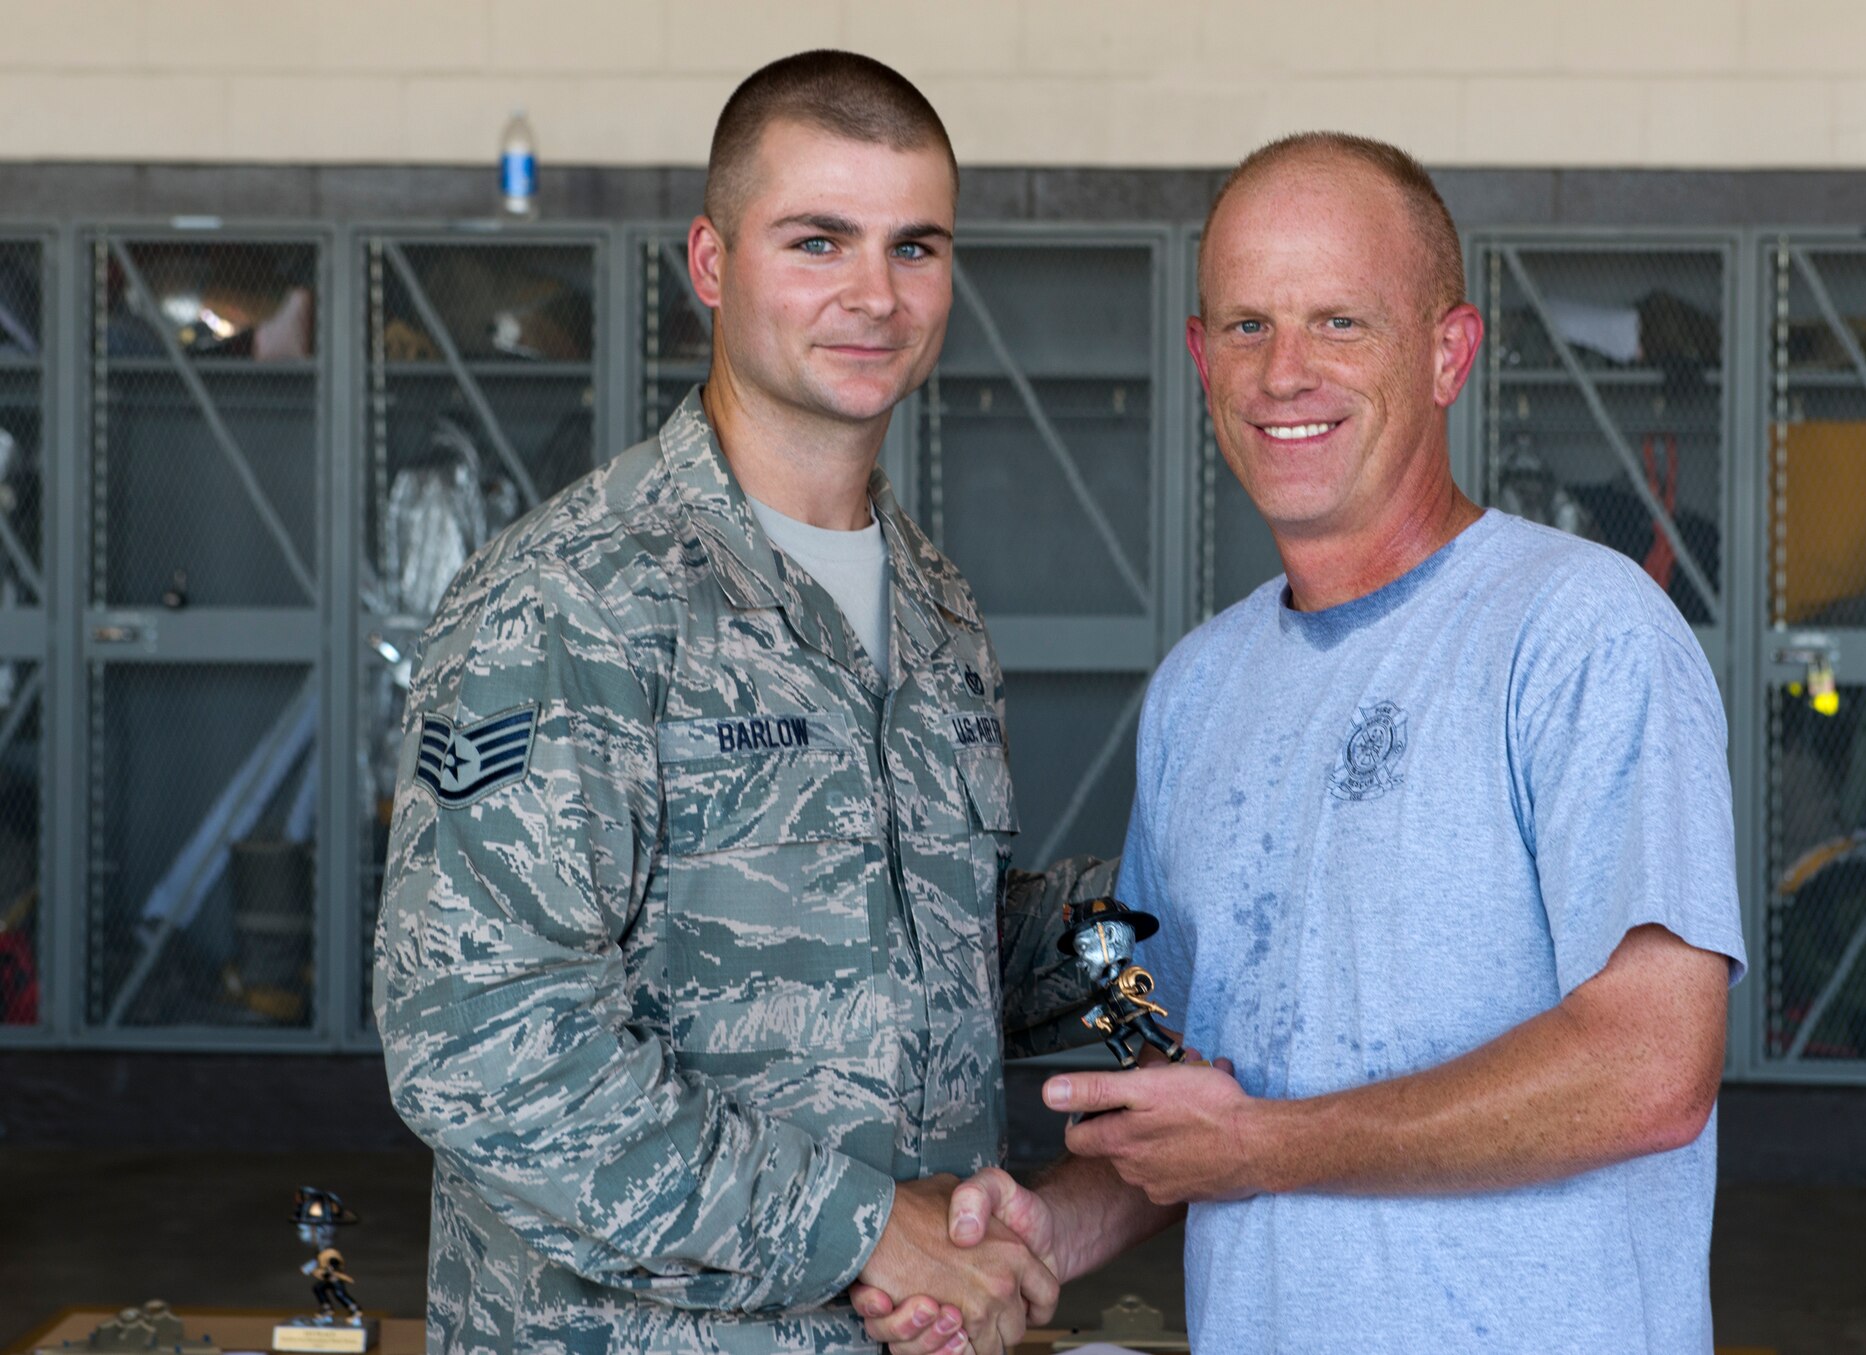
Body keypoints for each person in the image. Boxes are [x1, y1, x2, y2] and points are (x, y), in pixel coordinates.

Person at [855, 132, 1746, 1354]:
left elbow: (1652, 1068)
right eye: (1244, 326)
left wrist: (1264, 1144)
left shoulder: (1580, 634)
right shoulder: (1197, 691)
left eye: (1339, 323)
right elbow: (1195, 1093)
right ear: (1197, 355)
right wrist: (1039, 1234)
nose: (1284, 373)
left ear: (1446, 352)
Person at [374, 50, 1114, 1355]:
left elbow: (927, 941)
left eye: (915, 246)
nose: (875, 296)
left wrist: (1190, 919)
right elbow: (484, 1044)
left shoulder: (933, 606)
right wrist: (867, 1226)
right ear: (711, 265)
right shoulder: (574, 598)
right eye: (818, 240)